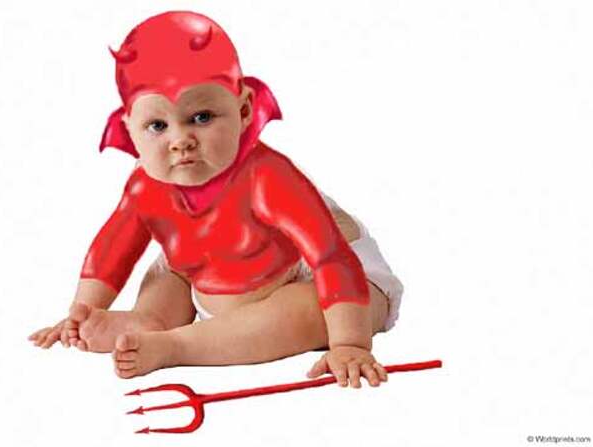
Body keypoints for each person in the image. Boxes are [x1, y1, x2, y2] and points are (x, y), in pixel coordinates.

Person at [28, 11, 403, 388]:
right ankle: (149, 321)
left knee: (305, 313)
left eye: (202, 117)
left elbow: (330, 256)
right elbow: (113, 248)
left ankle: (177, 345)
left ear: (244, 111)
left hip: (330, 276)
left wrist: (350, 343)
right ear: (129, 130)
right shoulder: (146, 186)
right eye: (157, 126)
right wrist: (82, 310)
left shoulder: (268, 177)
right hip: (208, 269)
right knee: (170, 271)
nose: (180, 141)